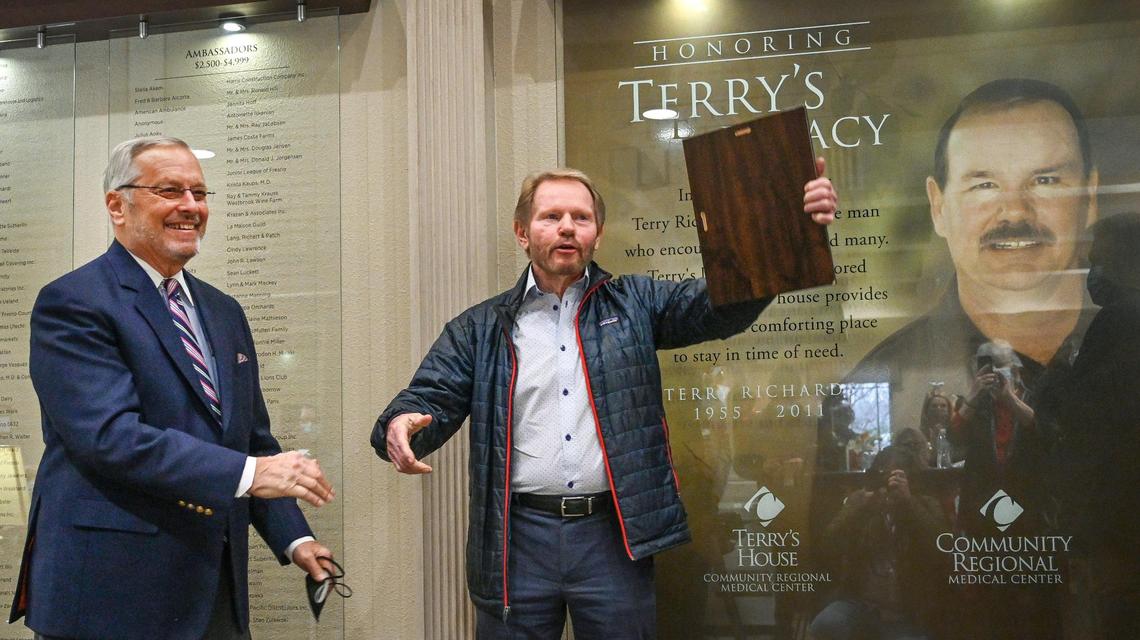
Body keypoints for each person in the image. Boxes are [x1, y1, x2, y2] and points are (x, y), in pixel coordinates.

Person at [372, 164, 837, 638]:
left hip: (613, 537)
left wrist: (792, 228)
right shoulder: (479, 328)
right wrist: (402, 422)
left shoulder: (635, 303)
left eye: (581, 217)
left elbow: (718, 306)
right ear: (521, 232)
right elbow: (431, 394)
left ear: (598, 234)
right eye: (551, 216)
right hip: (516, 541)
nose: (567, 227)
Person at [8, 137, 336, 640]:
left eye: (199, 194)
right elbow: (109, 438)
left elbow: (249, 442)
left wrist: (296, 539)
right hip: (109, 596)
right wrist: (252, 473)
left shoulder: (224, 311)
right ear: (117, 204)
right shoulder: (73, 303)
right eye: (170, 191)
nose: (191, 207)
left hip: (212, 593)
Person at [845, 78, 1098, 432]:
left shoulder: (1127, 346)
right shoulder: (879, 382)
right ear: (938, 207)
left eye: (1046, 181)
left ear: (1090, 197)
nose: (1014, 212)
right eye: (984, 185)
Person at [1044, 212, 1140, 638]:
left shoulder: (1119, 321)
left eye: (1099, 260)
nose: (1092, 273)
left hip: (1117, 516)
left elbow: (1080, 411)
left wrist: (1058, 366)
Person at [808, 439, 949, 640]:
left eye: (896, 478)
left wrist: (908, 503)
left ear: (910, 480)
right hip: (861, 604)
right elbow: (828, 545)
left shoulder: (924, 503)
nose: (888, 486)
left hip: (906, 611)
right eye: (883, 477)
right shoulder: (862, 502)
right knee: (825, 625)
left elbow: (942, 548)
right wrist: (858, 509)